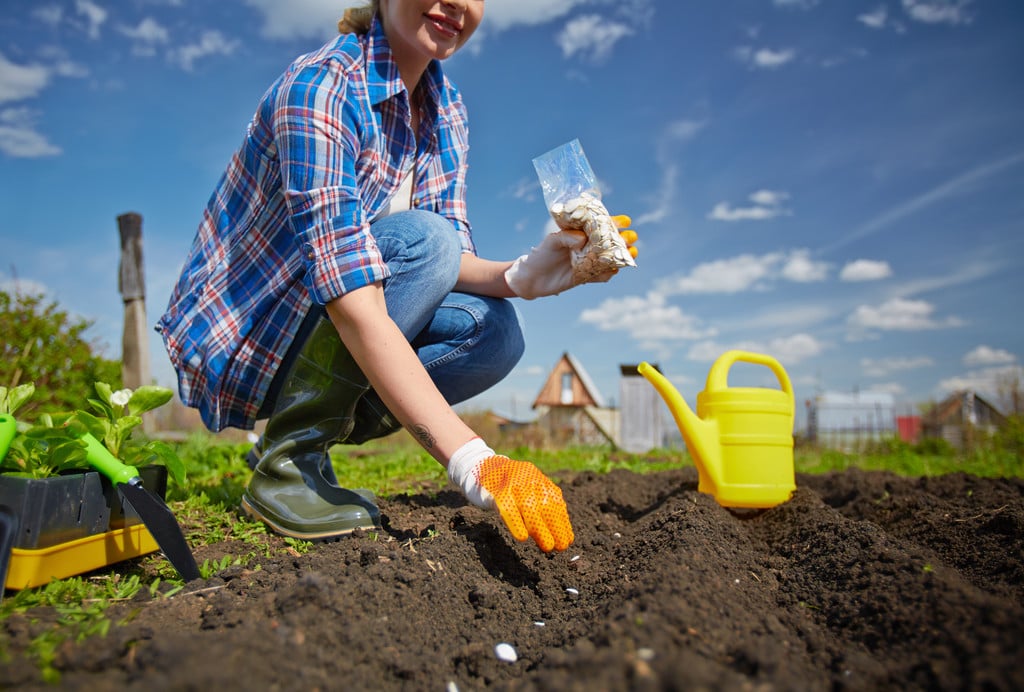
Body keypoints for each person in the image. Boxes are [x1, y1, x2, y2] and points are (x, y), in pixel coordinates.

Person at [158, 0, 638, 553]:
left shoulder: (445, 107)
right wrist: (473, 461)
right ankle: (287, 463)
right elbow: (360, 289)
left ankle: (294, 440)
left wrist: (525, 274)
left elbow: (445, 260)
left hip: (331, 320)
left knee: (495, 331)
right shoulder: (322, 88)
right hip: (246, 341)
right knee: (425, 239)